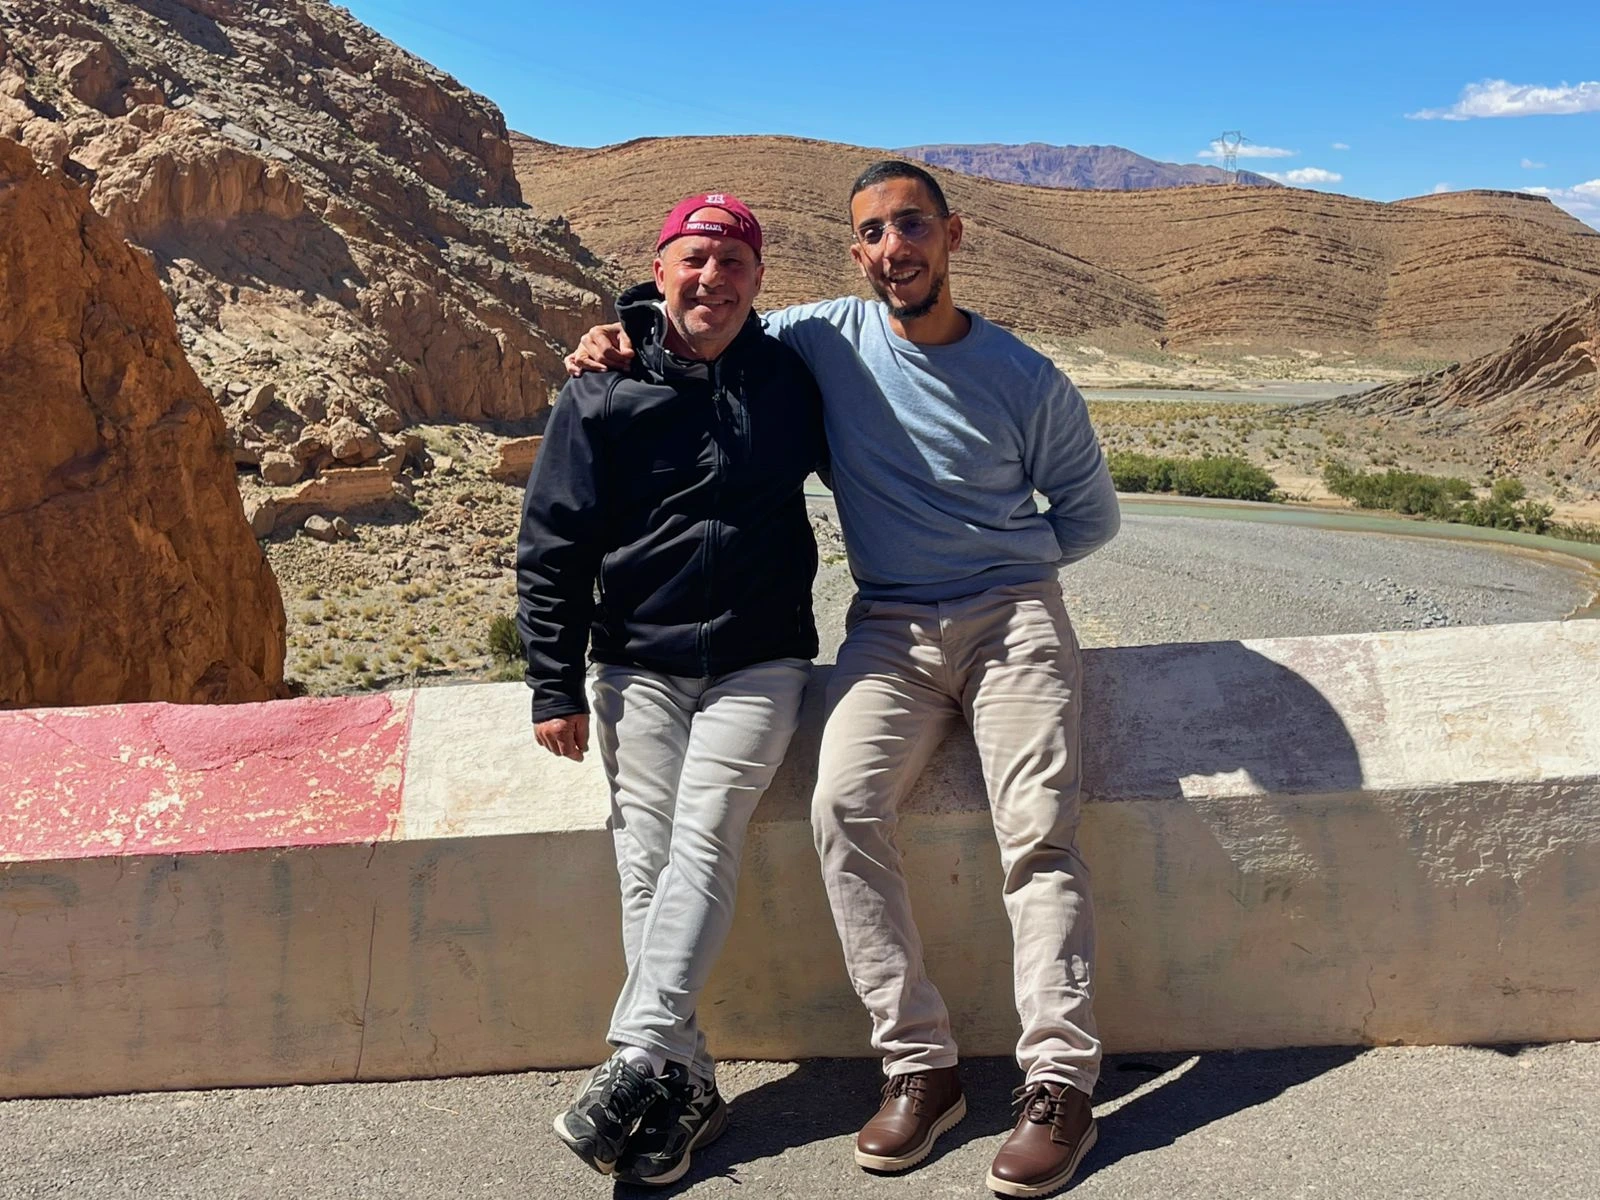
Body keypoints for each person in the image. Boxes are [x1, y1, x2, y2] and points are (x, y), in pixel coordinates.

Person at [567, 160, 1120, 1199]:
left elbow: (1089, 519)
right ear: (854, 250)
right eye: (871, 232)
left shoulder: (1024, 376)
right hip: (888, 627)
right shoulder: (826, 336)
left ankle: (1058, 1082)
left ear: (954, 237)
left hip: (1013, 619)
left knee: (1035, 831)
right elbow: (705, 309)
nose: (892, 248)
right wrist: (624, 322)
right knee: (840, 806)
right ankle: (920, 1064)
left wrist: (999, 559)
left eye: (912, 226)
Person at [518, 191, 825, 1187]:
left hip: (759, 656)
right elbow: (553, 546)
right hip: (637, 662)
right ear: (659, 273)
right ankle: (683, 1080)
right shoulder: (600, 388)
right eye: (694, 260)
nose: (712, 279)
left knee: (704, 829)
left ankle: (636, 1053)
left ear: (757, 282)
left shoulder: (789, 378)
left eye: (733, 263)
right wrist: (551, 683)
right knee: (644, 861)